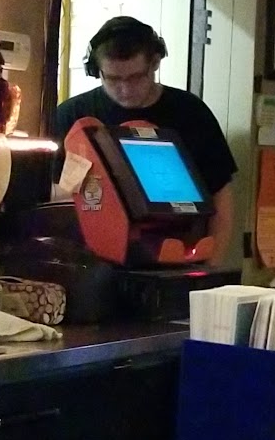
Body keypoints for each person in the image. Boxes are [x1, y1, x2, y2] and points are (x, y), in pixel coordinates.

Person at [52, 16, 237, 265]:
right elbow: (53, 197)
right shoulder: (72, 115)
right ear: (96, 71)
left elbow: (221, 200)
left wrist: (211, 269)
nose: (125, 90)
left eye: (136, 77)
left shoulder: (191, 113)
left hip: (177, 261)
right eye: (113, 79)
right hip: (91, 265)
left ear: (155, 63)